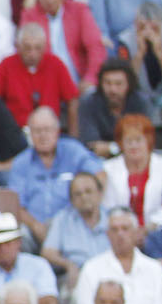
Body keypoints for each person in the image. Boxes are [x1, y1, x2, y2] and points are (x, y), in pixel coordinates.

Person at [9, 107, 104, 250]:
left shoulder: (73, 151)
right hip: (36, 228)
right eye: (37, 131)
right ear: (30, 134)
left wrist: (86, 206)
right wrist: (35, 225)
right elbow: (15, 204)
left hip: (72, 223)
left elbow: (100, 175)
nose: (43, 136)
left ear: (57, 131)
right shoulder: (21, 163)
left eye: (47, 130)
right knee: (21, 235)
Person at [71, 207, 162, 304]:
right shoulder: (91, 268)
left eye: (125, 229)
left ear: (136, 232)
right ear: (107, 234)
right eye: (114, 230)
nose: (120, 234)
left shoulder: (155, 270)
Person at [21, 0, 107, 94]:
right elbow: (26, 52)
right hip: (45, 84)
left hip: (79, 80)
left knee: (91, 94)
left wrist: (91, 78)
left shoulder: (79, 10)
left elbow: (95, 47)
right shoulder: (30, 15)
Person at [98, 113, 162, 229]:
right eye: (128, 141)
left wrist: (151, 227)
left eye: (138, 140)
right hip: (119, 231)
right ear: (121, 143)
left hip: (159, 231)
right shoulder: (107, 168)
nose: (133, 145)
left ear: (149, 140)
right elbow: (107, 206)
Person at [77, 59, 152, 158]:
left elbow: (143, 143)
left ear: (129, 84)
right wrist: (124, 146)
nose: (113, 89)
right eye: (108, 83)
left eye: (118, 84)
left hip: (134, 159)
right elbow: (92, 146)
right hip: (99, 161)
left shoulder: (141, 102)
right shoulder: (89, 102)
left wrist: (112, 148)